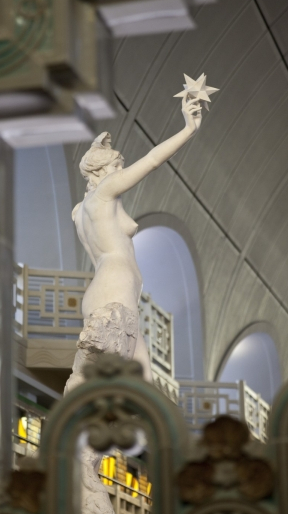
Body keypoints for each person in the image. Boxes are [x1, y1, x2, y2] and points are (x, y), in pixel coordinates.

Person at [64, 94, 202, 393]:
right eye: (118, 165)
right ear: (100, 171)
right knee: (112, 389)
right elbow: (152, 161)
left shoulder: (79, 211)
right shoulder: (105, 191)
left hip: (104, 293)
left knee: (144, 387)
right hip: (116, 288)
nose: (121, 171)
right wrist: (188, 129)